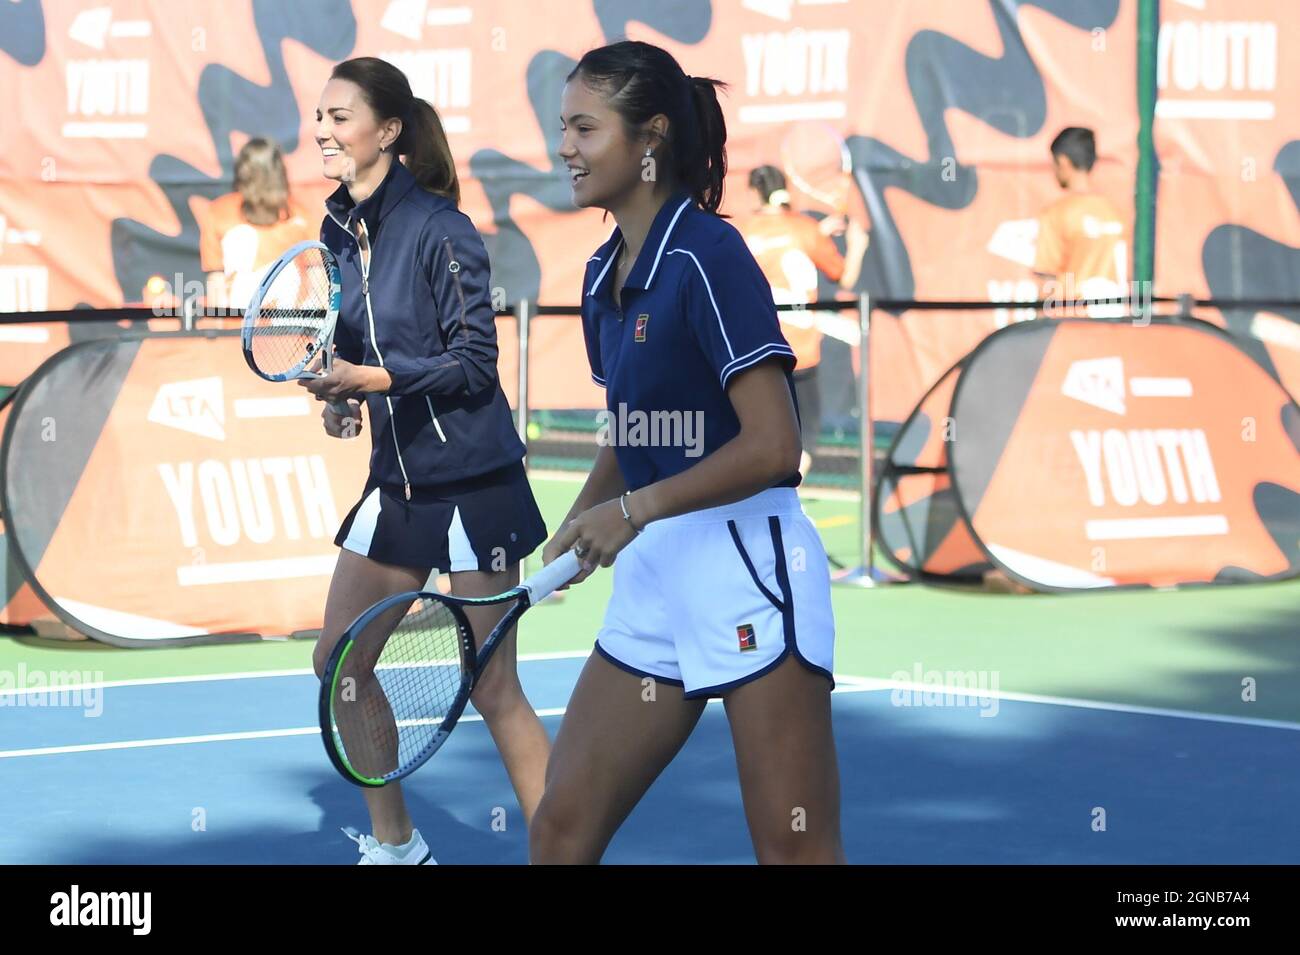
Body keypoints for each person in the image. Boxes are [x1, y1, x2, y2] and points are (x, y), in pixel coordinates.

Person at [532, 40, 844, 864]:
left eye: (585, 128)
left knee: (795, 849)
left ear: (649, 140)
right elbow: (634, 432)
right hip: (653, 569)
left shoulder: (709, 255)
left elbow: (776, 445)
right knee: (560, 830)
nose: (564, 146)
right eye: (563, 127)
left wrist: (631, 510)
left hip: (746, 559)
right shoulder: (603, 274)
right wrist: (575, 526)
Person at [300, 56, 549, 865]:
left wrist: (373, 378)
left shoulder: (444, 230)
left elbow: (476, 363)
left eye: (341, 117)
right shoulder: (338, 230)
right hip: (399, 486)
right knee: (337, 664)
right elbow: (357, 345)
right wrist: (344, 398)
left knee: (492, 685)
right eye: (321, 116)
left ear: (388, 130)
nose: (325, 131)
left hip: (477, 488)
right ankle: (397, 847)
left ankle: (562, 851)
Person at [740, 165, 867, 479]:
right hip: (801, 351)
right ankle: (788, 490)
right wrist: (858, 246)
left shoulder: (741, 232)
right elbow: (844, 275)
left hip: (757, 349)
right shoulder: (805, 229)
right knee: (804, 436)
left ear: (756, 192)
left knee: (758, 431)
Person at [198, 138, 315, 309]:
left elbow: (317, 280)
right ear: (279, 171)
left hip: (292, 328)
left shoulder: (301, 215)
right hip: (238, 327)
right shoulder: (218, 212)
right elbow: (216, 280)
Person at [1034, 126, 1128, 313]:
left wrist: (1038, 331)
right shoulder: (1118, 213)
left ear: (1063, 162)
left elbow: (1048, 279)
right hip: (1115, 323)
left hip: (1072, 324)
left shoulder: (1057, 214)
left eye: (1053, 164)